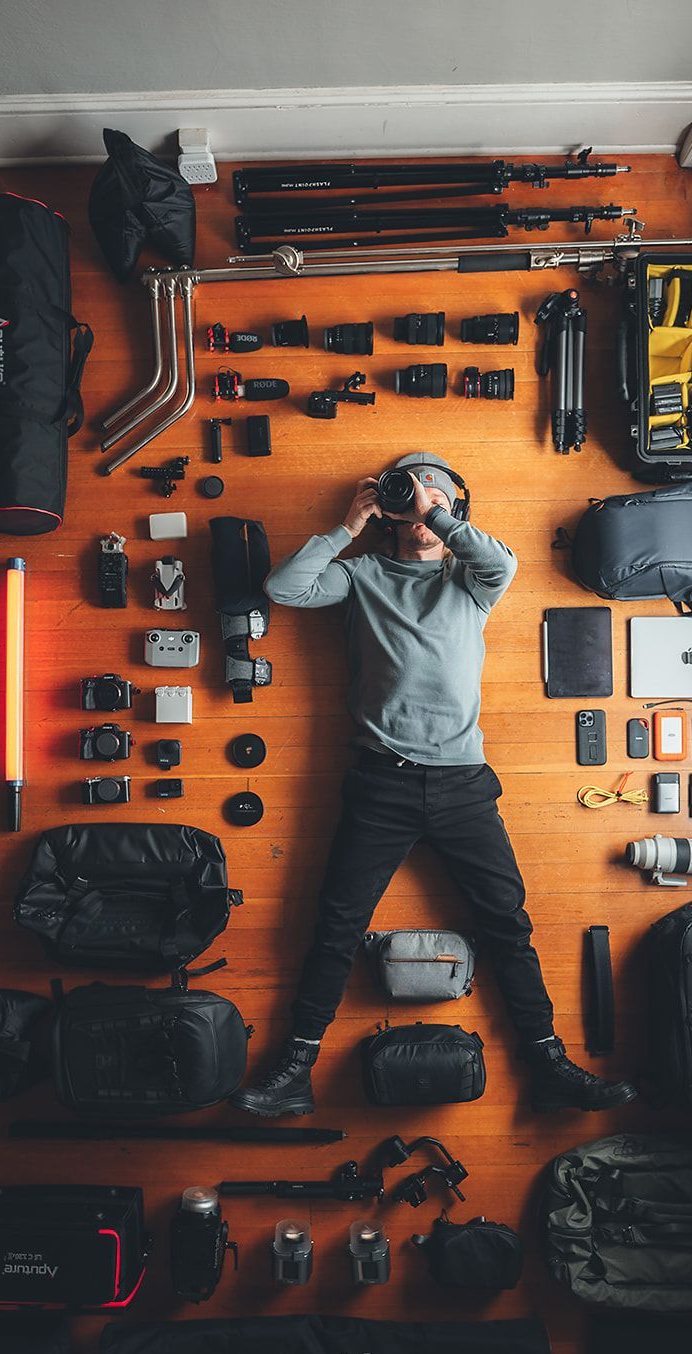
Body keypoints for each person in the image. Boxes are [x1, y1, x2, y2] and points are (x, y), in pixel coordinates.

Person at [231, 452, 637, 1117]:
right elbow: (284, 589)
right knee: (335, 927)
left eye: (438, 493)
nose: (422, 501)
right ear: (387, 512)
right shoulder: (360, 574)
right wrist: (348, 523)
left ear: (453, 509)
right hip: (379, 783)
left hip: (462, 785)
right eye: (411, 492)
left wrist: (436, 513)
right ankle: (295, 1072)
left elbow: (502, 563)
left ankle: (548, 1065)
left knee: (507, 926)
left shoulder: (469, 580)